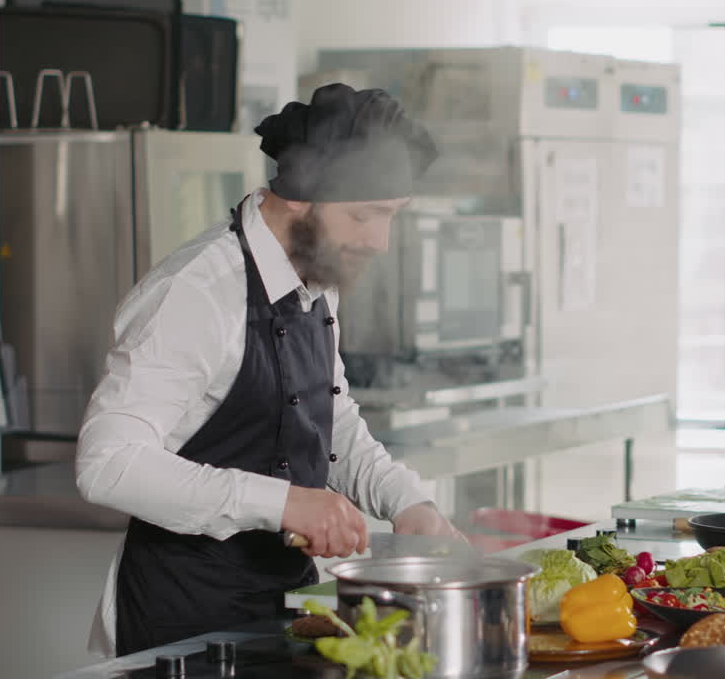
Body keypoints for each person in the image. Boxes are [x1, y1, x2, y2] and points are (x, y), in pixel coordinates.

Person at [75, 84, 463, 657]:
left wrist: (408, 503)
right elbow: (107, 465)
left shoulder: (315, 275)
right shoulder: (196, 292)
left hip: (283, 607)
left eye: (392, 217)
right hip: (179, 626)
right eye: (365, 215)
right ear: (303, 195)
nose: (380, 243)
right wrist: (285, 502)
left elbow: (333, 422)